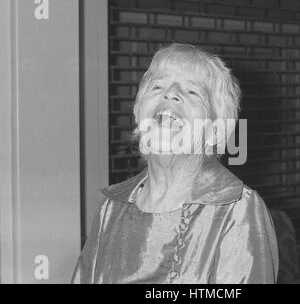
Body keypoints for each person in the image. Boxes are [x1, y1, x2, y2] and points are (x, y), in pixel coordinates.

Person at [72, 43, 279, 284]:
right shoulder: (111, 208)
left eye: (193, 92)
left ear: (215, 131)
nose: (170, 93)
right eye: (157, 86)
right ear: (139, 114)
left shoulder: (236, 209)